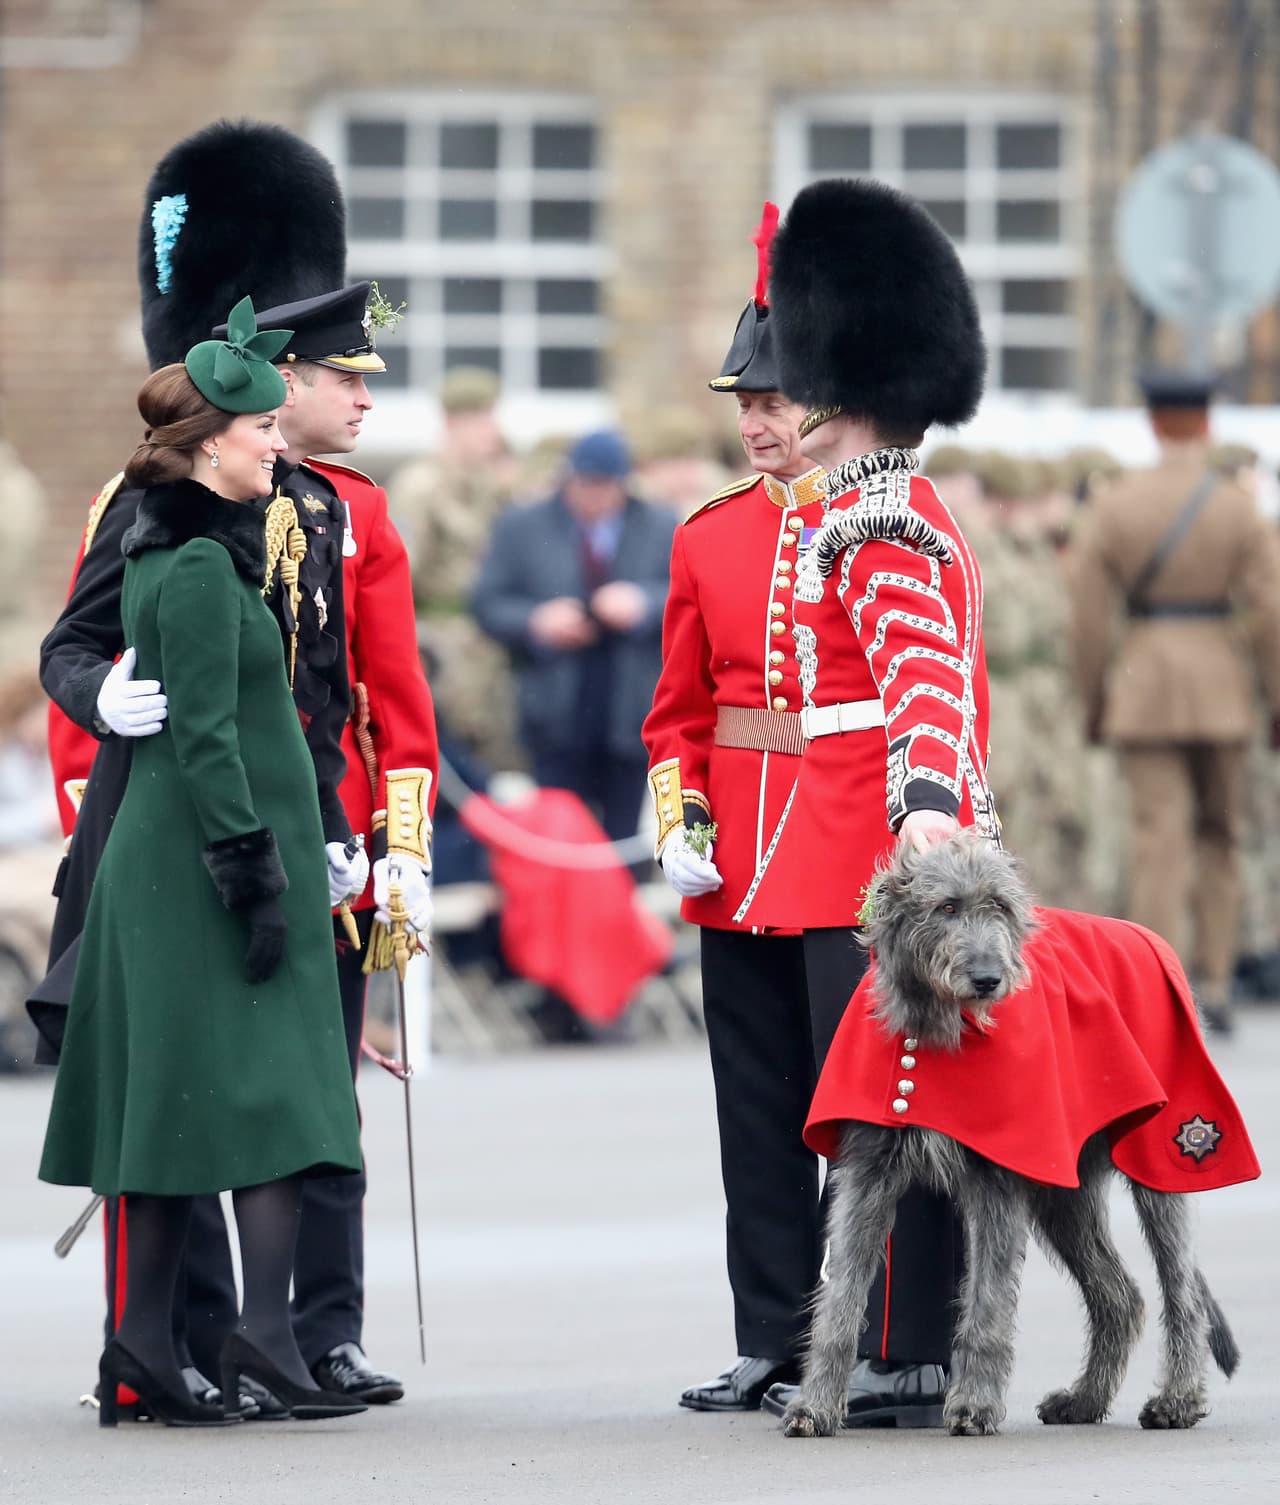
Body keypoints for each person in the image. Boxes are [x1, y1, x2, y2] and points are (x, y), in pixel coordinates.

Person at [34, 119, 435, 1414]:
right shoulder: (142, 507)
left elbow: (378, 703)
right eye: (331, 375)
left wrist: (388, 845)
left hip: (307, 822)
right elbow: (75, 658)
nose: (352, 398)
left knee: (305, 1102)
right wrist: (111, 718)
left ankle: (314, 1331)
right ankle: (180, 1346)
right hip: (177, 827)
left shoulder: (345, 513)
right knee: (177, 1101)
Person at [38, 301, 366, 1427]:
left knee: (212, 1100)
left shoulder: (244, 534)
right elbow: (132, 686)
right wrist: (246, 862)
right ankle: (231, 1336)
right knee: (240, 1097)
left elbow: (303, 703)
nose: (280, 439)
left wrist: (324, 824)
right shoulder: (177, 554)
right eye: (260, 422)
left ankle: (184, 1337)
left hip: (241, 847)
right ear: (208, 440)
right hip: (199, 862)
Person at [730, 178, 992, 1426]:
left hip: (871, 841)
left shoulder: (873, 522)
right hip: (844, 828)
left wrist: (924, 808)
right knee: (884, 1099)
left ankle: (903, 1345)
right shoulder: (880, 508)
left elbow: (920, 683)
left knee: (886, 1106)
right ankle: (903, 1340)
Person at [641, 204, 832, 1411]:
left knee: (854, 1110)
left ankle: (859, 1334)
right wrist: (680, 819)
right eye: (745, 404)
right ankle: (770, 1329)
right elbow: (676, 712)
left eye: (776, 400)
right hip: (738, 857)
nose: (756, 422)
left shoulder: (875, 521)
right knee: (753, 1111)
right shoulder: (707, 533)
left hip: (841, 844)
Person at [1069, 370, 1280, 1034]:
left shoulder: (1117, 504)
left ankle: (1161, 986)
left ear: (1154, 423)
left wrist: (1096, 696)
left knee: (1157, 840)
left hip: (1146, 683)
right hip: (1222, 686)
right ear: (1207, 424)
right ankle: (1216, 978)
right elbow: (1271, 610)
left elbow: (1090, 617)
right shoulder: (1238, 506)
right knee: (1221, 835)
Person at [471, 429, 674, 842]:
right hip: (554, 710)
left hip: (630, 708)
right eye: (584, 484)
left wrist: (644, 603)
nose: (593, 497)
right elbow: (486, 602)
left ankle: (619, 907)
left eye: (605, 486)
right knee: (558, 836)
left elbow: (691, 595)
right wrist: (537, 621)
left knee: (622, 840)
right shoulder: (522, 525)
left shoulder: (661, 525)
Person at [386, 366, 521, 771]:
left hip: (488, 650)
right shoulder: (420, 486)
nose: (491, 431)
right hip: (442, 647)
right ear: (452, 422)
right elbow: (397, 576)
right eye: (481, 419)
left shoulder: (491, 485)